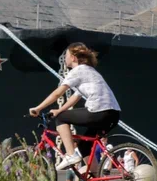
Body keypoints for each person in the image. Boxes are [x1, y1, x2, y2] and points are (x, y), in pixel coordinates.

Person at [28, 42, 121, 171]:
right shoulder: (90, 71)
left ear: (73, 58)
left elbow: (57, 93)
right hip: (113, 114)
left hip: (99, 111)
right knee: (84, 146)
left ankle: (71, 155)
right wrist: (59, 109)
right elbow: (75, 96)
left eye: (66, 55)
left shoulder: (78, 70)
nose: (64, 58)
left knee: (61, 118)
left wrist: (38, 108)